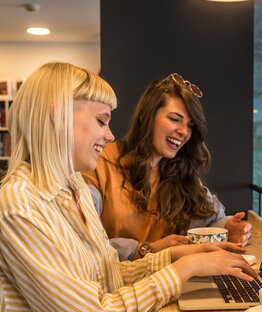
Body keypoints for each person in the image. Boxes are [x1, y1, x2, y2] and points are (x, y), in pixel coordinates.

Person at [0, 62, 256, 312]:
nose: (109, 135)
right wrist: (185, 268)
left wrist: (174, 256)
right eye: (101, 121)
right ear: (59, 116)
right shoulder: (21, 208)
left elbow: (105, 275)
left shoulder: (73, 190)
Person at [82, 73, 251, 260]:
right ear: (146, 117)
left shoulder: (180, 172)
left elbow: (213, 218)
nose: (183, 132)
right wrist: (147, 249)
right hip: (117, 285)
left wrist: (228, 228)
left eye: (190, 125)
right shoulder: (98, 163)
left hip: (173, 283)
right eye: (175, 119)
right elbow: (84, 244)